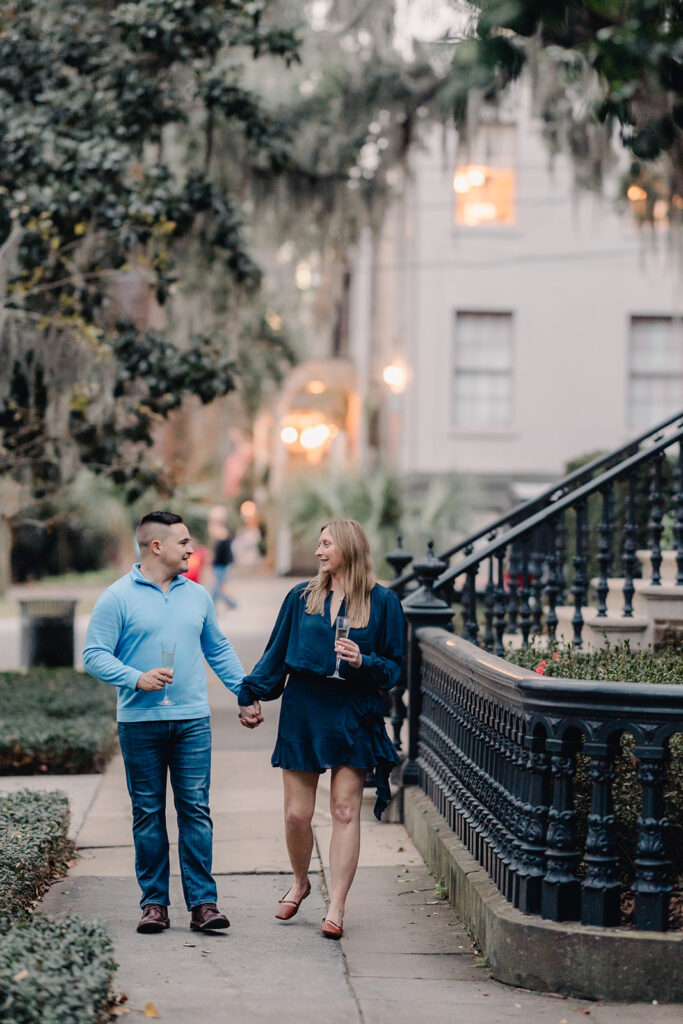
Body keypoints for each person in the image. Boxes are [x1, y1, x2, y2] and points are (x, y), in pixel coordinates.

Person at [237, 518, 404, 939]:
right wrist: (250, 693)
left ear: (347, 547)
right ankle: (301, 881)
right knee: (298, 816)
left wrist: (363, 662)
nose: (318, 551)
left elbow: (396, 668)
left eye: (326, 543)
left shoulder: (382, 602)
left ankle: (338, 906)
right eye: (319, 544)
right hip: (305, 709)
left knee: (346, 811)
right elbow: (276, 654)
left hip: (353, 710)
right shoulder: (301, 598)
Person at [83, 511, 246, 935]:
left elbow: (218, 649)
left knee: (195, 810)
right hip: (139, 721)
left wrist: (246, 693)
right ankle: (154, 904)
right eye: (184, 542)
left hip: (192, 720)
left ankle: (203, 905)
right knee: (148, 814)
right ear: (156, 546)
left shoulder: (198, 596)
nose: (192, 549)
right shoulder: (116, 597)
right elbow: (94, 654)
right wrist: (135, 678)